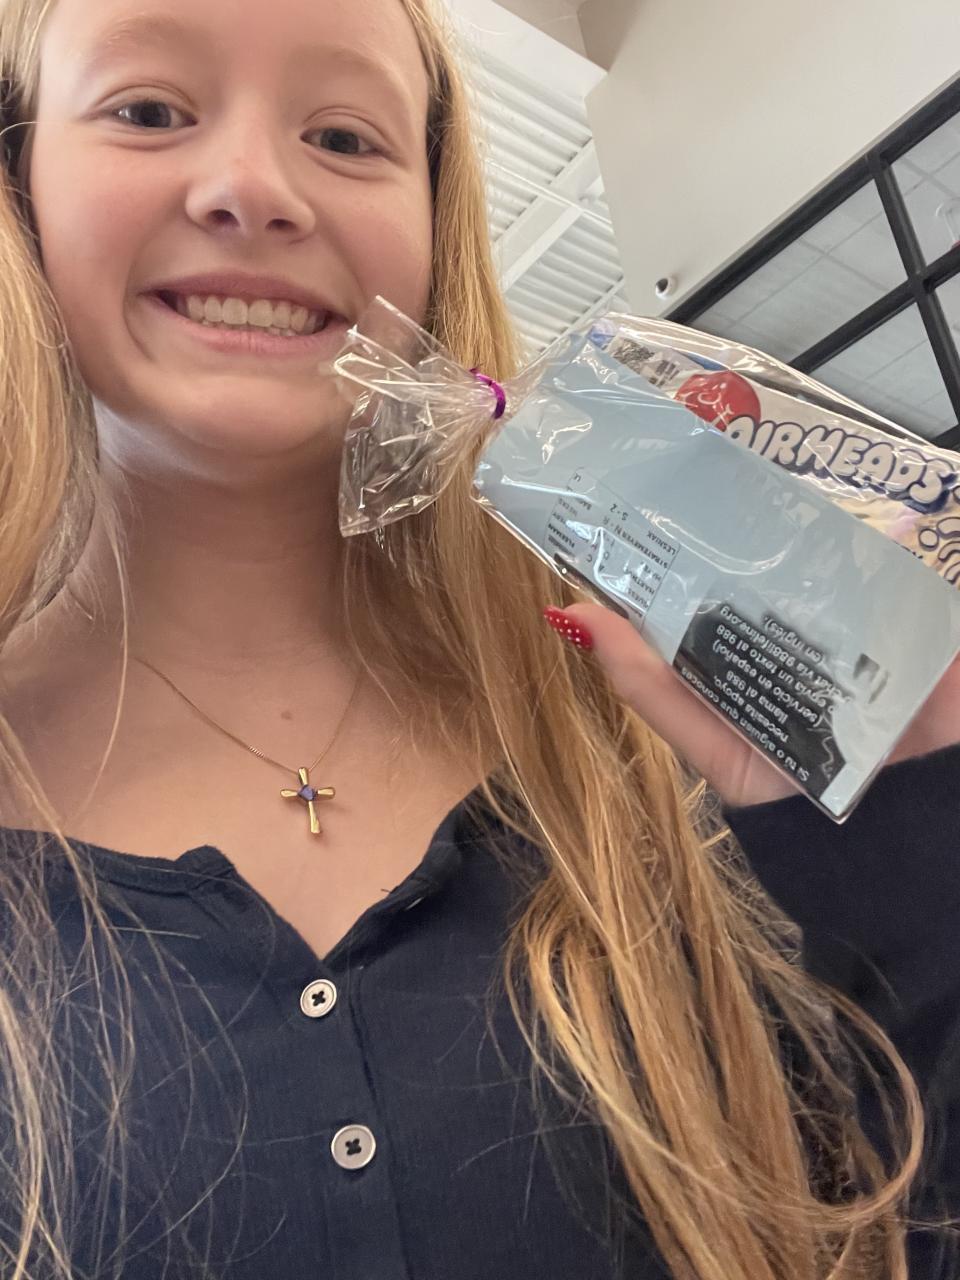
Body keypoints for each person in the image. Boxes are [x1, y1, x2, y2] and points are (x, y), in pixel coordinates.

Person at [0, 0, 955, 1276]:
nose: (253, 187)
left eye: (345, 136)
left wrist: (912, 825)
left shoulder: (665, 757)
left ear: (434, 226)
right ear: (19, 177)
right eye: (149, 110)